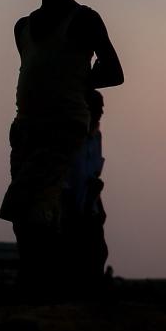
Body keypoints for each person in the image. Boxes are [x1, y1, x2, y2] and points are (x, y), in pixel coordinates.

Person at [0, 0, 123, 299]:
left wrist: (82, 84)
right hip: (26, 128)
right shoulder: (23, 28)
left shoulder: (84, 20)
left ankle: (40, 283)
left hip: (63, 126)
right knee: (34, 212)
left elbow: (114, 71)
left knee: (23, 202)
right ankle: (49, 283)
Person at [60, 89, 109, 294]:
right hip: (71, 212)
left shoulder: (96, 137)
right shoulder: (68, 139)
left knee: (98, 255)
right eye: (96, 108)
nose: (101, 113)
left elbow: (94, 175)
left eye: (101, 109)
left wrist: (97, 204)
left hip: (90, 209)